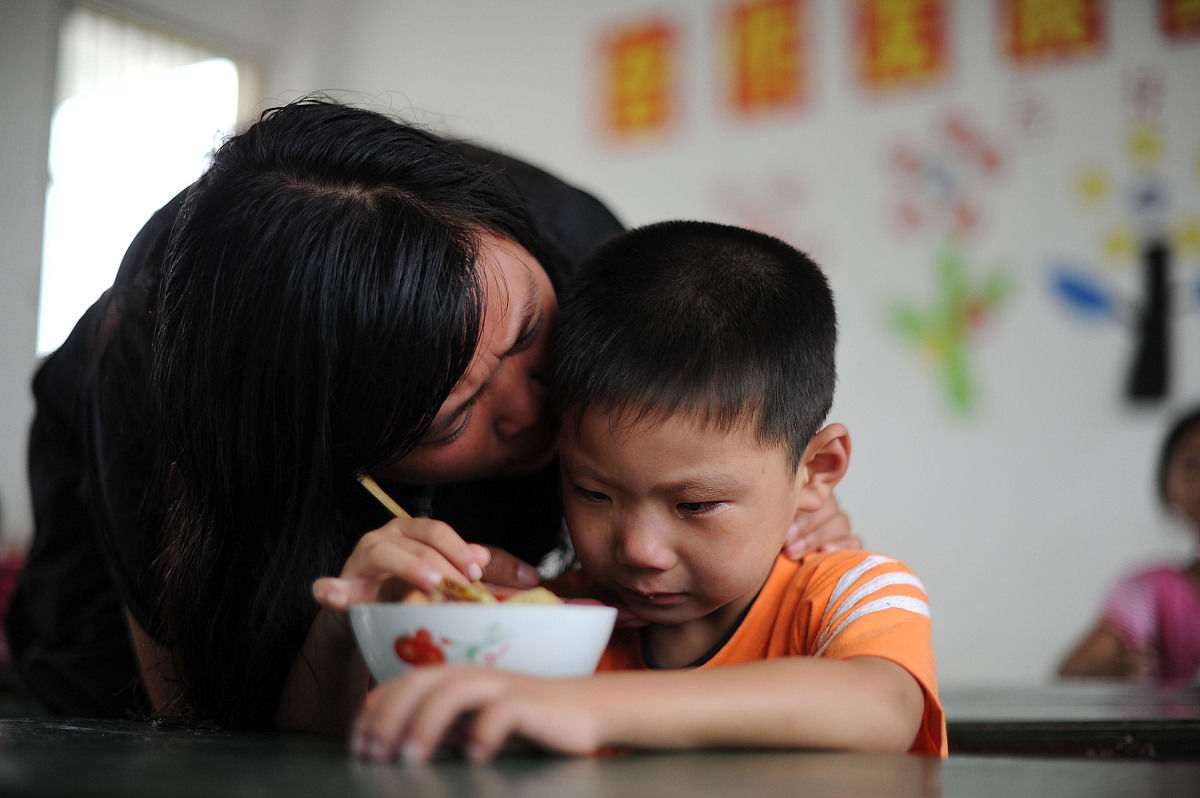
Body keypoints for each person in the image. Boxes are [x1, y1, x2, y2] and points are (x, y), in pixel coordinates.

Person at [5, 98, 853, 731]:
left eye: (527, 333)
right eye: (456, 418)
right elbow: (193, 727)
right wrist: (347, 627)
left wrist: (774, 511)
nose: (538, 406)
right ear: (339, 453)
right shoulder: (159, 377)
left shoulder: (581, 253)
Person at [349, 221, 946, 761]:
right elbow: (352, 734)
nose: (639, 550)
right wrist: (355, 626)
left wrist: (589, 707)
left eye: (695, 505)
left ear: (815, 473)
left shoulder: (847, 593)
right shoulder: (550, 628)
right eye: (593, 493)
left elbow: (883, 708)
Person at [1057, 406, 1200, 684]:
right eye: (1193, 466)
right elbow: (1071, 673)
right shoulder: (1150, 592)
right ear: (1166, 487)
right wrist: (1111, 670)